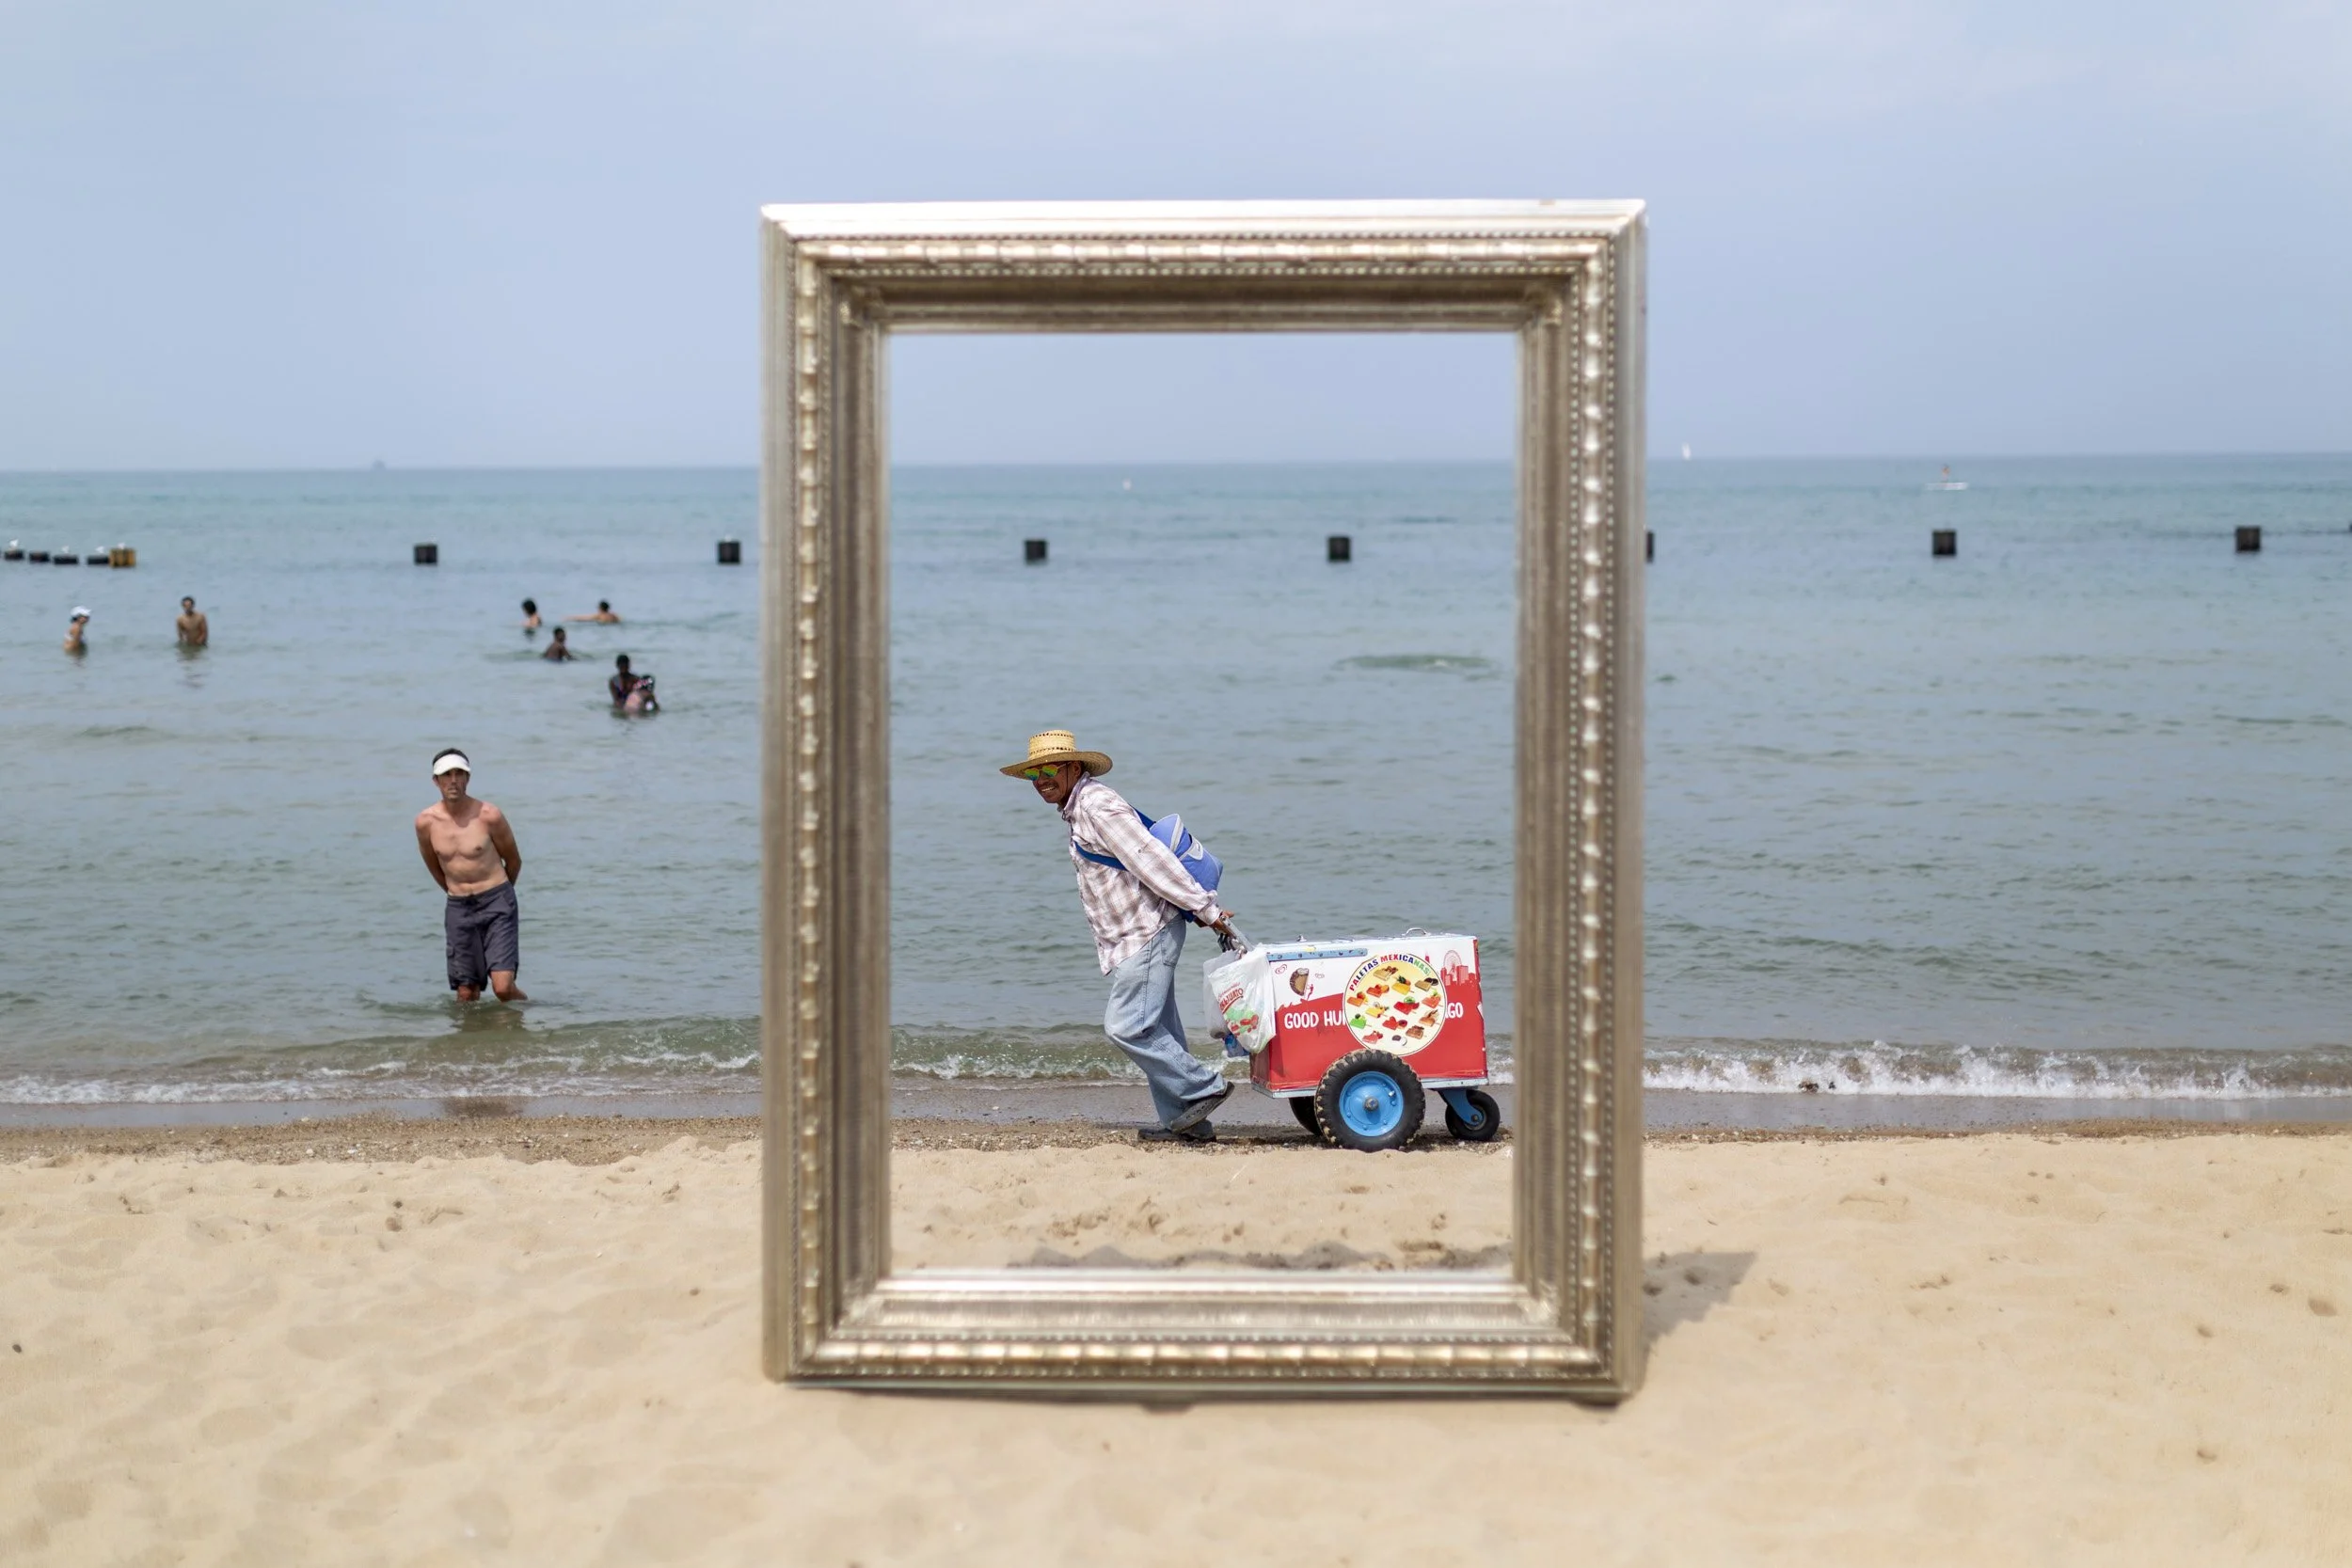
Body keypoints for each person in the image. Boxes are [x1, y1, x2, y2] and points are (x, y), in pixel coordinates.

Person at [1005, 729, 1236, 1141]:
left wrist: (1205, 907)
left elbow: (1151, 860)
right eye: (1032, 773)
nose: (1040, 779)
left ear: (1075, 768)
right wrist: (1200, 909)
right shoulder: (1079, 809)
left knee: (1127, 1026)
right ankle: (1187, 1126)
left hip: (1145, 931)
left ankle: (1205, 1086)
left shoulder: (1098, 805)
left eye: (1048, 769)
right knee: (1161, 1030)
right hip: (1132, 935)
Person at [414, 748, 527, 1003]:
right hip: (459, 906)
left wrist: (502, 897)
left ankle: (525, 1025)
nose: (453, 781)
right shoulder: (425, 822)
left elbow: (514, 860)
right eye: (446, 775)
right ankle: (471, 1042)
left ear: (468, 778)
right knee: (466, 994)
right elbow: (434, 864)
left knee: (503, 988)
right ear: (436, 781)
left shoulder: (489, 815)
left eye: (459, 774)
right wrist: (457, 893)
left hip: (497, 900)